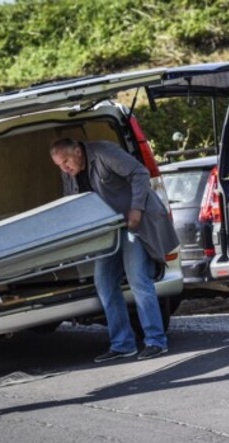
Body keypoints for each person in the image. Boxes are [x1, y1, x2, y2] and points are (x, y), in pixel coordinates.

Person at [49, 138, 179, 361]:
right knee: (105, 282)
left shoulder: (104, 153)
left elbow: (140, 173)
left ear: (78, 151)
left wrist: (136, 208)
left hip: (134, 223)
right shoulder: (69, 172)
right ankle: (122, 344)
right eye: (60, 165)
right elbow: (74, 203)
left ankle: (156, 341)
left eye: (66, 162)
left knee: (138, 278)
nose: (65, 169)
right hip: (109, 231)